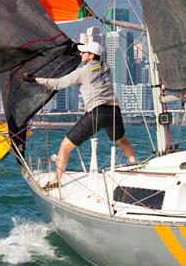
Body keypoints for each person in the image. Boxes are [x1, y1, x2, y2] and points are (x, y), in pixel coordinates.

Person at [23, 41, 136, 190]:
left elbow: (57, 84)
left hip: (97, 112)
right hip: (114, 112)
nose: (80, 54)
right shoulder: (106, 67)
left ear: (90, 55)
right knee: (121, 139)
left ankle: (57, 179)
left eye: (83, 53)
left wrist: (35, 79)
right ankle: (134, 163)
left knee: (65, 146)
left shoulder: (82, 72)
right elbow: (93, 63)